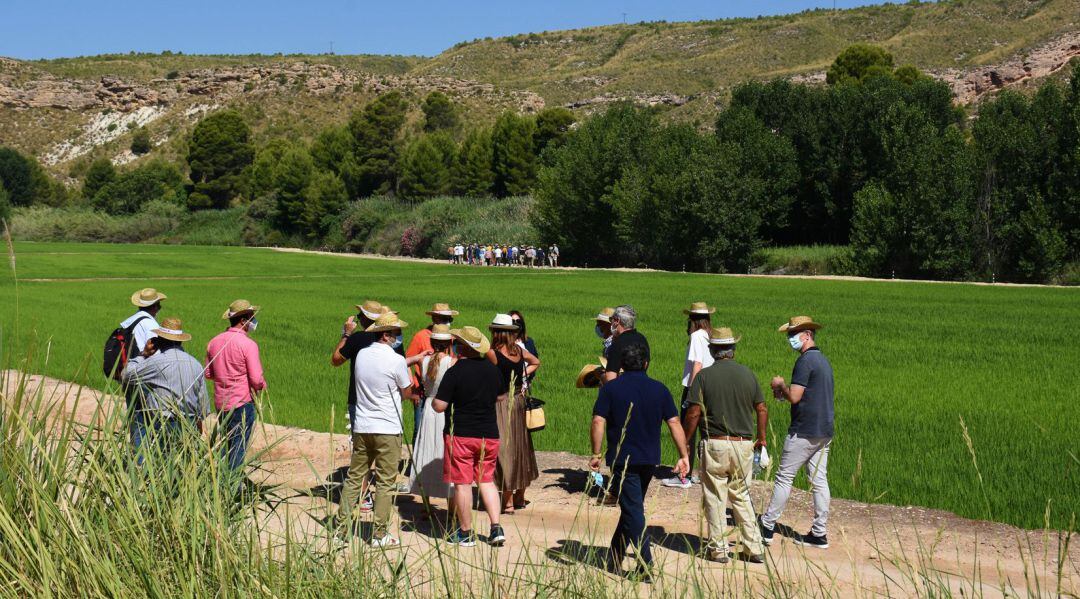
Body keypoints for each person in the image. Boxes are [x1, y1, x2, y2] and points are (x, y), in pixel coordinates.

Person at [590, 343, 690, 582]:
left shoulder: (610, 389)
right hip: (650, 460)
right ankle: (614, 556)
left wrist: (595, 454)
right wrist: (684, 455)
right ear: (646, 364)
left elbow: (597, 421)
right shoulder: (660, 389)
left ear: (622, 365)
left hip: (623, 459)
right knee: (631, 507)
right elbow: (675, 423)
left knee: (633, 510)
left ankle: (645, 566)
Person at [338, 312, 425, 547]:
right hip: (387, 427)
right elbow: (407, 392)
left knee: (355, 477)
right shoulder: (395, 359)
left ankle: (341, 528)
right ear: (386, 335)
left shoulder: (363, 355)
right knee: (386, 482)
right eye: (397, 333)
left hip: (363, 425)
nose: (399, 337)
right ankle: (378, 533)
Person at [681, 327, 768, 563]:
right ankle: (754, 547)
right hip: (744, 445)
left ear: (712, 350)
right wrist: (761, 437)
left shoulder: (704, 377)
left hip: (716, 445)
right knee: (741, 496)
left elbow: (694, 413)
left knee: (715, 497)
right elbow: (761, 408)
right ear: (733, 350)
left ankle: (719, 550)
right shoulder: (748, 374)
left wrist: (685, 440)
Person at [760, 316, 835, 550]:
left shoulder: (805, 362)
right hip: (824, 430)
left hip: (804, 431)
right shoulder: (823, 361)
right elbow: (806, 396)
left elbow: (795, 396)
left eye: (794, 334)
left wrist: (780, 385)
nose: (790, 339)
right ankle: (819, 533)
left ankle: (767, 526)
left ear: (808, 335)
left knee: (784, 477)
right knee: (819, 480)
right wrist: (784, 393)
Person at [432, 326, 507, 547]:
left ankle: (465, 533)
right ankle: (496, 528)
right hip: (489, 434)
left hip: (461, 435)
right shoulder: (493, 370)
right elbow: (502, 397)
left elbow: (439, 406)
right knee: (486, 480)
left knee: (463, 484)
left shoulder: (455, 372)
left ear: (462, 346)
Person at [122, 317, 209, 458]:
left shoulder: (156, 362)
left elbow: (127, 375)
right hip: (189, 425)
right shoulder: (196, 364)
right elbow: (203, 407)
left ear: (160, 341)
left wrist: (143, 355)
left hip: (161, 424)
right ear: (181, 340)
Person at [205, 299, 266, 472]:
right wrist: (262, 385)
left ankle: (221, 484)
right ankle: (232, 488)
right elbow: (256, 380)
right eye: (251, 317)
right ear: (243, 319)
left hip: (221, 404)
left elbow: (208, 374)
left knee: (226, 446)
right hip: (241, 404)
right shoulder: (248, 345)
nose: (253, 320)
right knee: (238, 448)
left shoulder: (214, 341)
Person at [487, 314, 540, 513]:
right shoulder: (518, 350)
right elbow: (536, 362)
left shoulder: (492, 353)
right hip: (518, 400)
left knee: (505, 450)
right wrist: (523, 383)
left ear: (496, 332)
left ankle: (507, 500)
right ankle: (520, 496)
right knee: (521, 446)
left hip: (501, 403)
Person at [662, 302, 715, 489]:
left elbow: (697, 365)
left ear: (693, 320)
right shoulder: (710, 336)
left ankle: (684, 476)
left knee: (687, 433)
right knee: (706, 433)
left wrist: (690, 394)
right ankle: (705, 474)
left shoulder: (696, 336)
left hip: (695, 389)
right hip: (710, 389)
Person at [406, 303, 459, 470]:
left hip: (441, 395)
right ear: (435, 318)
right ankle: (418, 463)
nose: (447, 321)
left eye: (448, 319)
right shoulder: (421, 336)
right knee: (421, 431)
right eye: (444, 318)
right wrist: (413, 388)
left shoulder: (451, 337)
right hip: (423, 392)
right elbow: (408, 361)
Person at [409, 324, 456, 501]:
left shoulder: (423, 360)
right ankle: (450, 497)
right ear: (450, 342)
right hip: (445, 408)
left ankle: (425, 501)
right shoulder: (452, 362)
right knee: (445, 452)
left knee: (426, 449)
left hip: (429, 406)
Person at [121, 288, 167, 450]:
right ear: (154, 307)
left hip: (129, 374)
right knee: (146, 422)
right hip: (144, 379)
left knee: (135, 419)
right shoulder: (149, 324)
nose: (159, 309)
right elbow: (155, 353)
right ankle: (143, 463)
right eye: (158, 306)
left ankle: (136, 458)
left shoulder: (131, 320)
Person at [601, 305, 649, 384]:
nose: (611, 323)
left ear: (617, 321)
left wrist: (601, 376)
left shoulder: (618, 344)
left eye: (611, 319)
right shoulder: (643, 339)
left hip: (622, 391)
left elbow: (610, 380)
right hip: (641, 388)